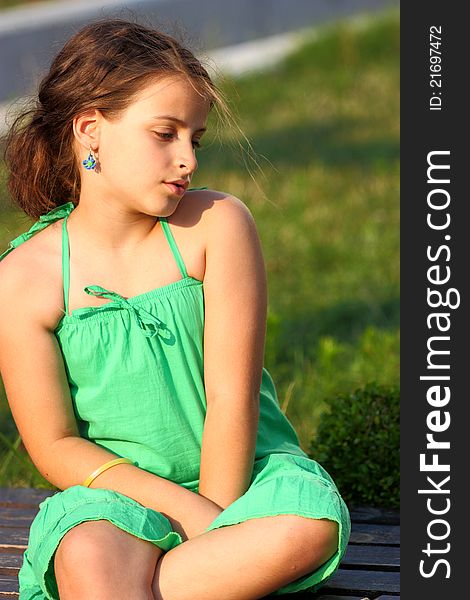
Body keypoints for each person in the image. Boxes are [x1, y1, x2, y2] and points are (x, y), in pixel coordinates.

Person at [0, 19, 351, 600]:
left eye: (196, 138)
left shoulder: (217, 226)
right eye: (165, 133)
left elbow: (231, 396)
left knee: (307, 525)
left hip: (245, 479)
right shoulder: (22, 281)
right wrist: (182, 513)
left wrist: (211, 518)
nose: (187, 159)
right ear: (90, 131)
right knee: (87, 551)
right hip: (119, 500)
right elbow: (56, 444)